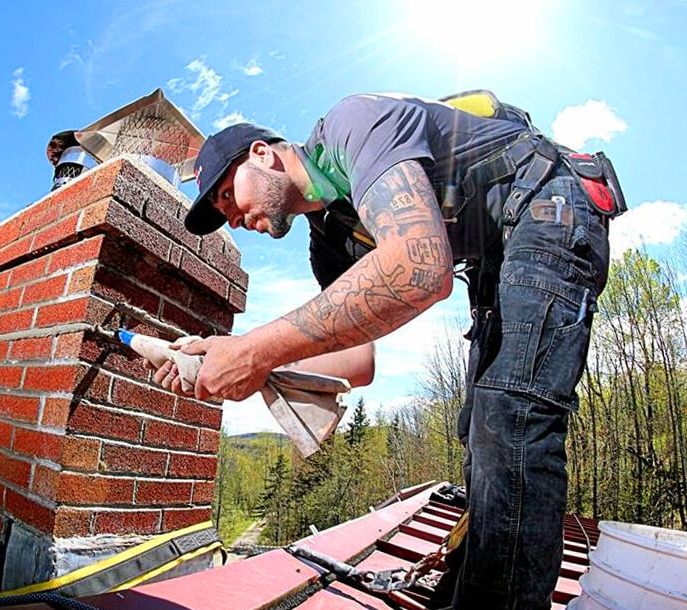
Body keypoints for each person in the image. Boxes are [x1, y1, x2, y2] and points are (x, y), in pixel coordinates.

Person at [148, 92, 616, 609]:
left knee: (512, 418)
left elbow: (419, 269)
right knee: (481, 428)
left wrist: (254, 352)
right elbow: (357, 363)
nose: (231, 217)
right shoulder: (329, 243)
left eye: (224, 196)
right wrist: (243, 360)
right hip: (496, 255)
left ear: (261, 153)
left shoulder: (354, 125)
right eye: (220, 213)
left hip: (547, 201)